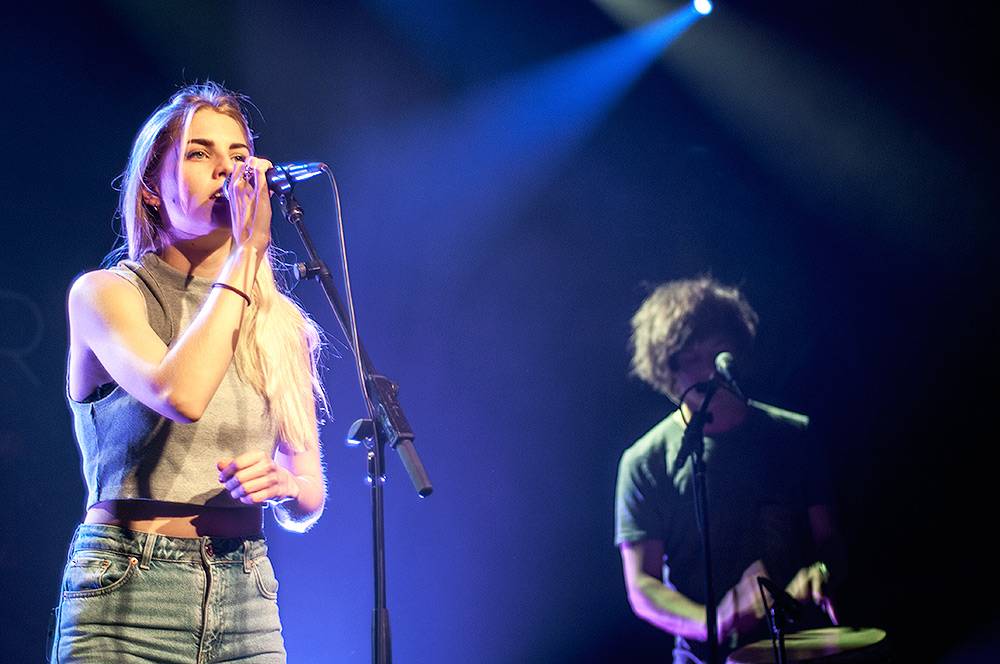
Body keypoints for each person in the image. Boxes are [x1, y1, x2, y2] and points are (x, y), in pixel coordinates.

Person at [50, 82, 328, 663]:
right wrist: (247, 254)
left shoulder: (281, 324)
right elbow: (181, 393)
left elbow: (309, 492)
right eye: (200, 154)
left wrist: (286, 487)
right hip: (129, 589)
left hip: (247, 591)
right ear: (152, 189)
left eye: (237, 155)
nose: (227, 171)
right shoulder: (107, 295)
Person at [615, 277, 843, 663]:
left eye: (718, 355)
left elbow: (829, 538)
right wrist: (713, 623)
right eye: (691, 359)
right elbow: (642, 585)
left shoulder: (793, 434)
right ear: (667, 369)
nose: (709, 372)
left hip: (802, 648)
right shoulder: (644, 462)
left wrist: (821, 570)